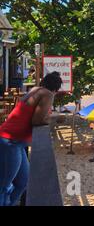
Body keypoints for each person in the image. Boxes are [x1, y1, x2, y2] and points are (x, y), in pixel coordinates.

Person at [0, 71, 62, 206]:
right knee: (3, 186)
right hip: (10, 141)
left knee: (23, 182)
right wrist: (50, 118)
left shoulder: (35, 90)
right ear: (56, 89)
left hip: (15, 142)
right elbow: (38, 120)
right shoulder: (48, 94)